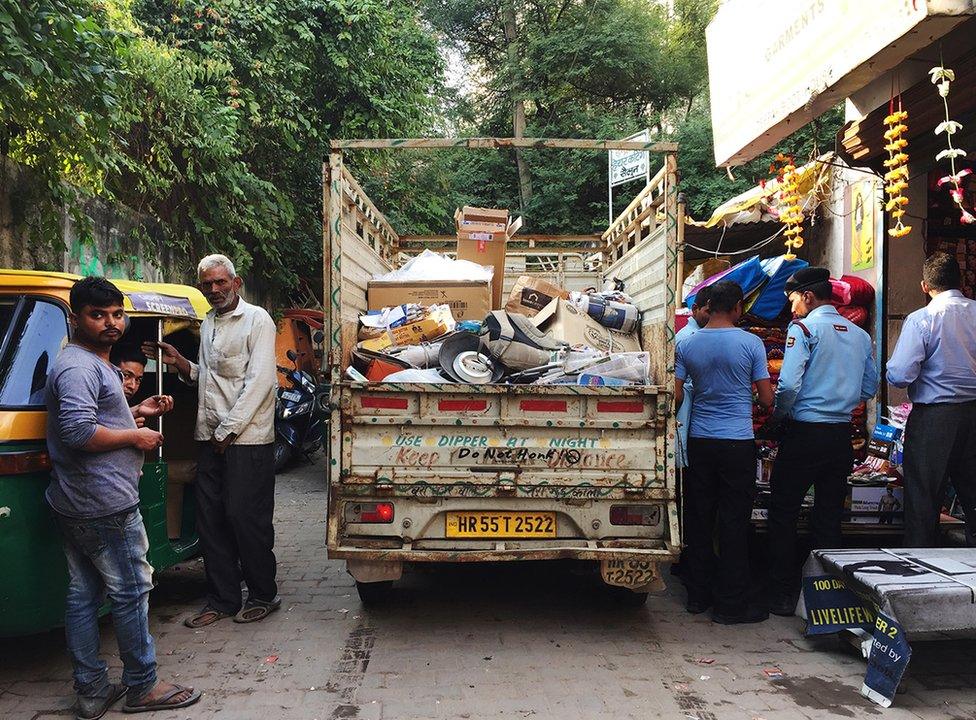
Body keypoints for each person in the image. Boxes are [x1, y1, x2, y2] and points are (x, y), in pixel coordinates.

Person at [46, 277, 200, 717]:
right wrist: (135, 435)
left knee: (84, 595)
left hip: (78, 499)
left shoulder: (91, 362)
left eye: (117, 314)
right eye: (98, 316)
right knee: (132, 590)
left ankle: (93, 691)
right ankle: (141, 685)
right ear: (76, 319)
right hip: (103, 503)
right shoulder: (79, 366)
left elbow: (90, 417)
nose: (111, 323)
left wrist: (137, 410)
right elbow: (77, 432)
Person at [144, 254, 279, 627]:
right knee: (210, 520)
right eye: (208, 285)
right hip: (210, 436)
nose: (215, 290)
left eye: (221, 283)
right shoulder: (208, 324)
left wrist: (228, 431)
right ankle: (222, 599)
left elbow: (260, 382)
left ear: (236, 284)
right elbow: (212, 378)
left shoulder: (257, 320)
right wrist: (183, 364)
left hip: (246, 439)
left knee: (244, 517)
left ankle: (263, 594)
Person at [759, 267, 878, 616]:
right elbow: (868, 389)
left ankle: (782, 594)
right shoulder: (859, 335)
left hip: (805, 434)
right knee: (827, 518)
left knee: (784, 513)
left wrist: (778, 417)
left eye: (794, 299)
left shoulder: (805, 329)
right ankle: (824, 597)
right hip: (840, 437)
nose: (792, 307)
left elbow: (790, 386)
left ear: (808, 297)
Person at [675, 280, 773, 624]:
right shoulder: (751, 343)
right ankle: (730, 604)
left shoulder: (688, 344)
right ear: (737, 308)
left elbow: (676, 395)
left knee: (700, 518)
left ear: (709, 305)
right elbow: (766, 398)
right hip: (737, 442)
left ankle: (697, 596)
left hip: (701, 439)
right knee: (733, 522)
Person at [886, 252, 976, 547]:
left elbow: (899, 374)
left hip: (934, 419)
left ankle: (920, 574)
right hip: (973, 415)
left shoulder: (922, 318)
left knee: (923, 501)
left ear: (925, 285)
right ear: (960, 282)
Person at [675, 285, 713, 469]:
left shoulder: (698, 335)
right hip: (688, 401)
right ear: (695, 309)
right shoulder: (688, 338)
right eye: (707, 311)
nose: (711, 316)